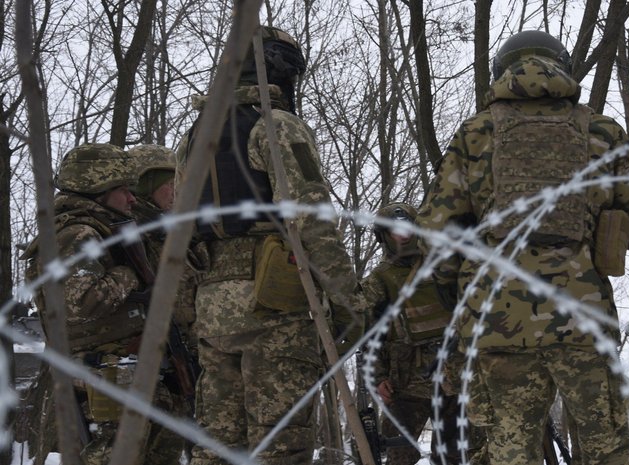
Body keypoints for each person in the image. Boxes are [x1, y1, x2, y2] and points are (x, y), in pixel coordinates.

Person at [416, 30, 629, 465]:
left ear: (501, 70)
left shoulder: (476, 133)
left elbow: (435, 232)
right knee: (606, 444)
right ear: (562, 66)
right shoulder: (601, 131)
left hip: (496, 319)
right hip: (582, 317)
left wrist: (454, 293)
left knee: (510, 448)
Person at [177, 26, 364, 465]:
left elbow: (180, 231)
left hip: (212, 308)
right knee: (280, 442)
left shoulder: (193, 138)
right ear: (275, 68)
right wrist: (348, 300)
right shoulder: (275, 126)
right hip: (274, 303)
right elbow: (312, 218)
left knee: (217, 444)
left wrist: (191, 308)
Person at [22, 143, 180, 464]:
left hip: (121, 371)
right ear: (97, 190)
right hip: (104, 376)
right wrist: (130, 274)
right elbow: (78, 303)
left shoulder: (101, 229)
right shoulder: (78, 233)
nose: (132, 199)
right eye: (122, 190)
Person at [362, 202, 487, 465]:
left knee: (457, 455)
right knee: (399, 456)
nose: (403, 234)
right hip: (406, 384)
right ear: (384, 235)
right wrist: (378, 376)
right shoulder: (380, 279)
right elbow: (369, 333)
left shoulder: (446, 265)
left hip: (454, 378)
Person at [127, 143, 208, 459]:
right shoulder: (136, 236)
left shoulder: (177, 231)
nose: (176, 192)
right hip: (156, 369)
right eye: (168, 184)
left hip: (190, 355)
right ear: (146, 186)